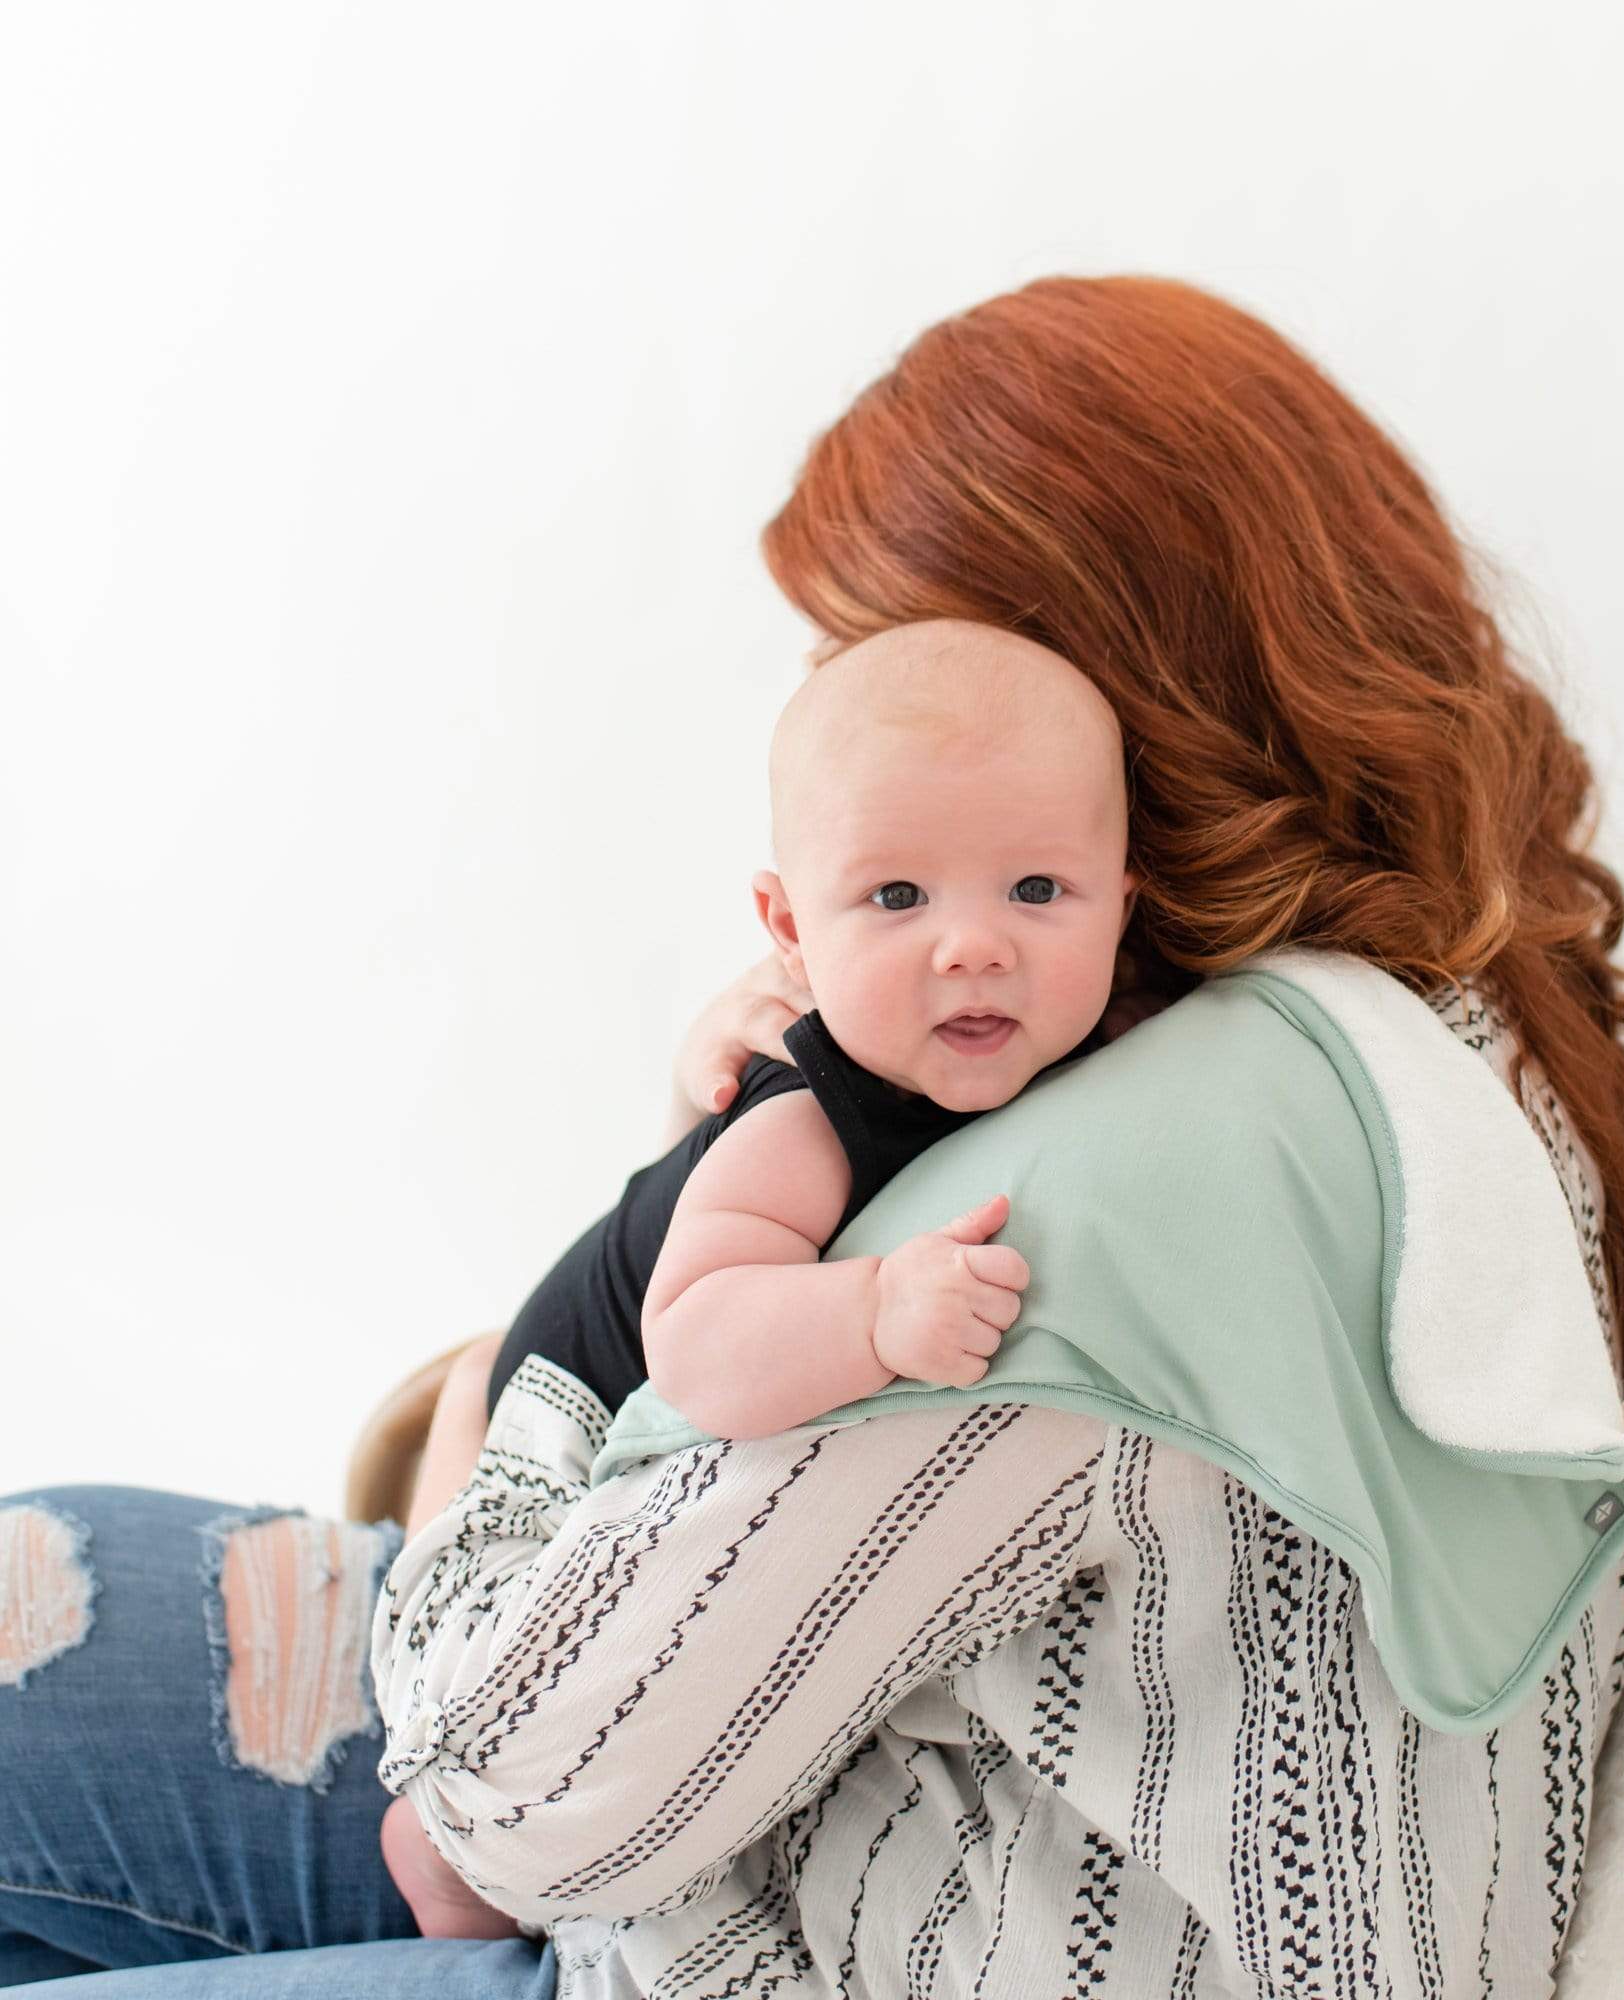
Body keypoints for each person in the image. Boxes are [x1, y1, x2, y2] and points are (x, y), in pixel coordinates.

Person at [0, 272, 1624, 1996]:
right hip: (717, 1742)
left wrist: (489, 1431)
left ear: (1129, 735)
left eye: (880, 661)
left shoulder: (1114, 1204)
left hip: (688, 1898)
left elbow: (501, 1812)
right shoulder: (1444, 1015)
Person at [380, 617, 1141, 1938]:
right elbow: (696, 1342)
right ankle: (437, 1859)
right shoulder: (811, 1116)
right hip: (563, 1409)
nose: (972, 947)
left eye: (1037, 891)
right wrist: (876, 1310)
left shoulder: (1093, 1053)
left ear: (1126, 901)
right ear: (790, 925)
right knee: (460, 1841)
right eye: (897, 899)